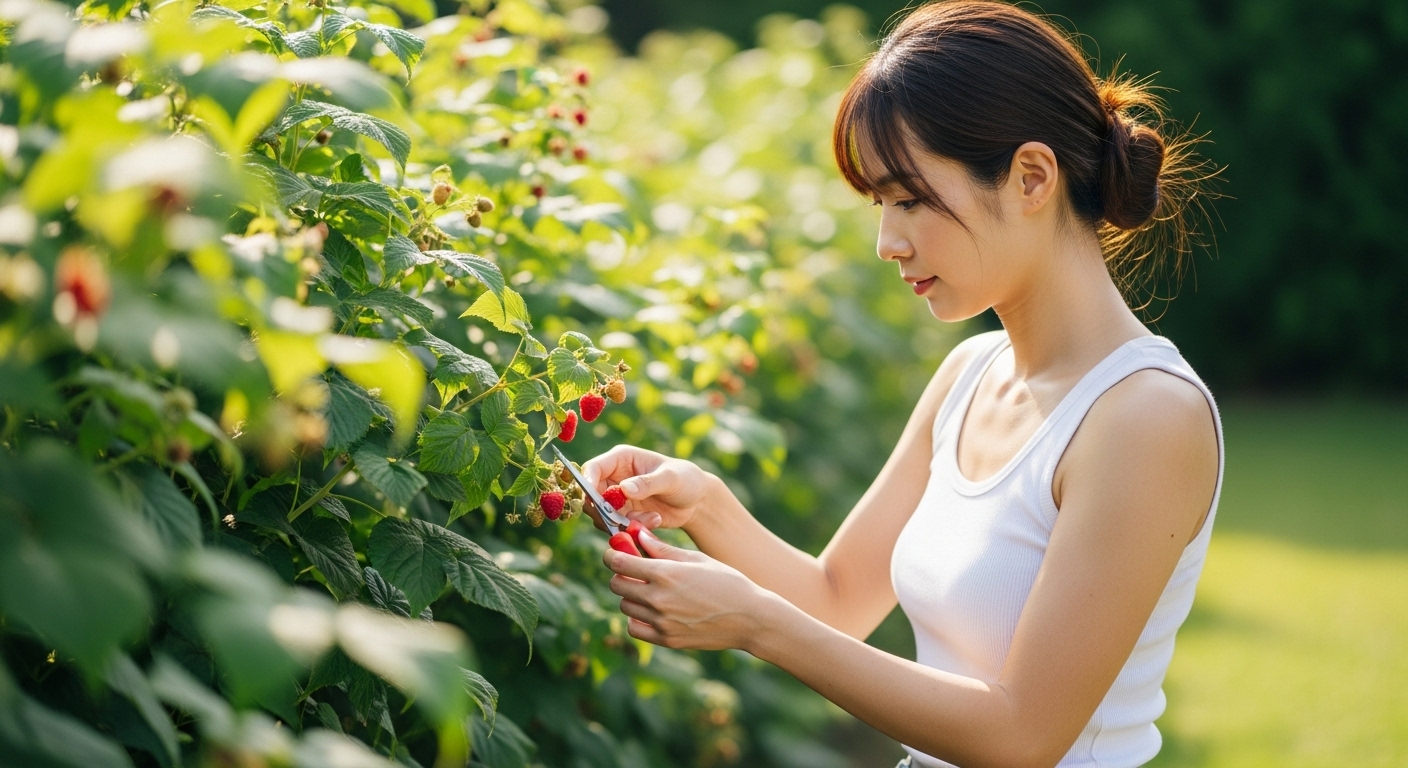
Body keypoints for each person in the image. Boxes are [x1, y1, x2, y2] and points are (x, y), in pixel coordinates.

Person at [583, 2, 1223, 766]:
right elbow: (837, 600)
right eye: (882, 205)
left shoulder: (1146, 417)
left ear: (1031, 178)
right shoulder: (970, 374)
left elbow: (1022, 736)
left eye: (909, 198)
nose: (889, 241)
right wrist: (705, 504)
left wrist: (755, 623)